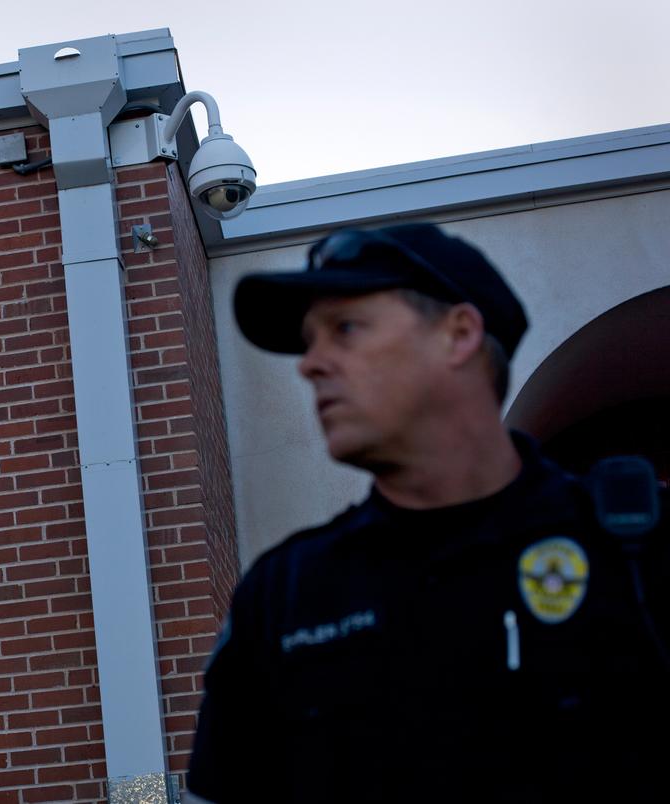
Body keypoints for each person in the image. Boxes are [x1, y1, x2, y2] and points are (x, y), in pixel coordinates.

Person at [187, 223, 670, 803]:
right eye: (309, 340)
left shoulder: (637, 549)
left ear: (458, 333)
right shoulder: (284, 596)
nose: (310, 364)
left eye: (345, 329)